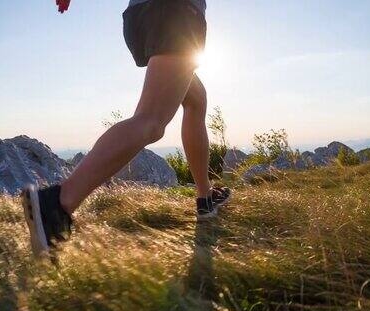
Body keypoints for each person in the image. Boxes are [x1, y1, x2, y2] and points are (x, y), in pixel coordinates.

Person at [21, 0, 231, 256]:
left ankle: (205, 197)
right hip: (175, 11)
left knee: (196, 99)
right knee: (152, 121)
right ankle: (57, 204)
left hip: (144, 15)